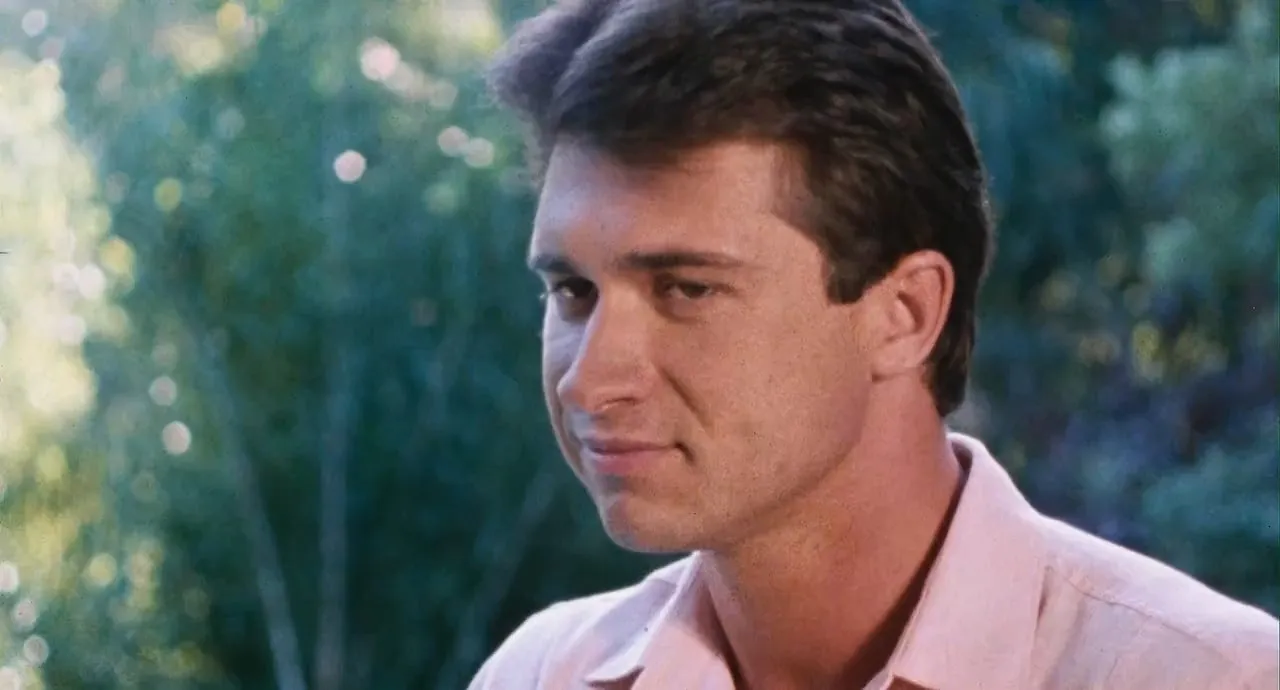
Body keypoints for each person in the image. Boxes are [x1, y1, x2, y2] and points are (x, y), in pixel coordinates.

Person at [469, 0, 1280, 688]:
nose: (588, 380)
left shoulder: (1209, 677)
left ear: (905, 312)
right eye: (572, 291)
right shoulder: (541, 674)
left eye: (687, 289)